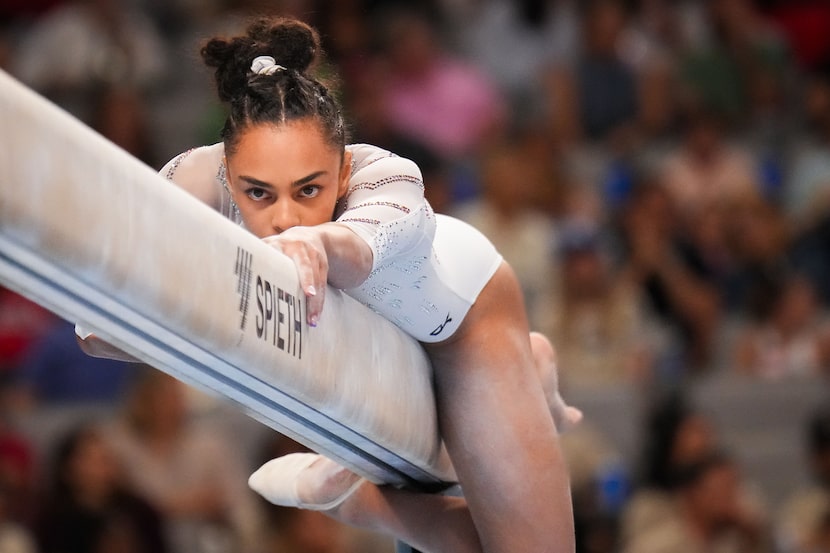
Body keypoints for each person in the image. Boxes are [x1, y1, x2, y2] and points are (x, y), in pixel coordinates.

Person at [78, 16, 580, 553]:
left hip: (461, 320)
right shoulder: (193, 182)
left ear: (343, 173)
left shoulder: (390, 178)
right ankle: (530, 374)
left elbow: (356, 252)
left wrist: (316, 245)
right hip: (376, 339)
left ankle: (376, 503)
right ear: (227, 175)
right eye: (259, 194)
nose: (287, 217)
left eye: (309, 189)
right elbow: (96, 331)